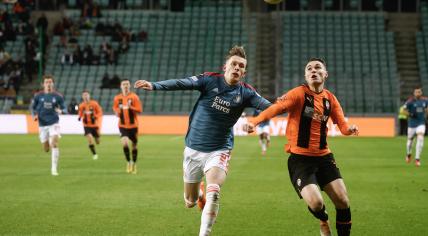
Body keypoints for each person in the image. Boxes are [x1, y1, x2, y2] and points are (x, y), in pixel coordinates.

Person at [134, 46, 271, 236]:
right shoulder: (209, 80)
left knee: (213, 191)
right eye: (234, 64)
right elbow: (181, 83)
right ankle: (197, 194)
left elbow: (271, 108)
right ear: (225, 66)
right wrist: (155, 85)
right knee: (189, 201)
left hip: (219, 150)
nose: (237, 68)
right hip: (193, 149)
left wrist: (256, 121)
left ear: (244, 72)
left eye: (241, 66)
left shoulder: (246, 93)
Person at [244, 58, 358, 236]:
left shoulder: (330, 99)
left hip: (324, 157)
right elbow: (276, 108)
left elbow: (342, 126)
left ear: (325, 74)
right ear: (306, 75)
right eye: (309, 68)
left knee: (343, 201)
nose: (313, 70)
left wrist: (350, 129)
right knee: (316, 203)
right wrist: (255, 122)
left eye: (318, 67)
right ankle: (323, 219)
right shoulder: (298, 94)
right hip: (300, 160)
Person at [31, 75, 66, 176]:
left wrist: (61, 110)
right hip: (42, 124)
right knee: (46, 148)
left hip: (54, 122)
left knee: (54, 143)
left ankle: (54, 169)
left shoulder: (58, 96)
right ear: (43, 84)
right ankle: (47, 143)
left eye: (50, 82)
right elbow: (33, 108)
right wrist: (34, 116)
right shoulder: (38, 96)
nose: (48, 84)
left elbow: (65, 108)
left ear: (53, 83)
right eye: (46, 82)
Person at [112, 79, 142, 174]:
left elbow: (139, 110)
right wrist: (117, 112)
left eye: (127, 84)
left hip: (133, 126)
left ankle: (134, 163)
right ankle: (128, 162)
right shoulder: (117, 98)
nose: (125, 86)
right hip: (122, 125)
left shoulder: (134, 97)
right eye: (124, 84)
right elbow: (115, 108)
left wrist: (130, 107)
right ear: (121, 86)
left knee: (134, 146)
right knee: (124, 143)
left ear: (129, 86)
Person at [404, 87, 428, 167]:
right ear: (414, 93)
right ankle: (408, 154)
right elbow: (403, 110)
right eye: (416, 92)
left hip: (421, 123)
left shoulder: (425, 100)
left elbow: (427, 108)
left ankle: (417, 159)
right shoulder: (410, 101)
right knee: (410, 142)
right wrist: (410, 114)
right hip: (412, 124)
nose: (418, 93)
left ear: (421, 93)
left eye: (419, 92)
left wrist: (426, 114)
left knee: (420, 138)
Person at [78, 90, 103, 160]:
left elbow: (100, 112)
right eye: (84, 95)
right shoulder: (81, 105)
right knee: (89, 138)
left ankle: (97, 138)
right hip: (86, 125)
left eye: (86, 95)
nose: (85, 96)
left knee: (97, 141)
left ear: (89, 96)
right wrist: (79, 117)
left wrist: (95, 116)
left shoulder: (94, 104)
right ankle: (94, 154)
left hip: (94, 125)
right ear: (82, 97)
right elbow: (80, 113)